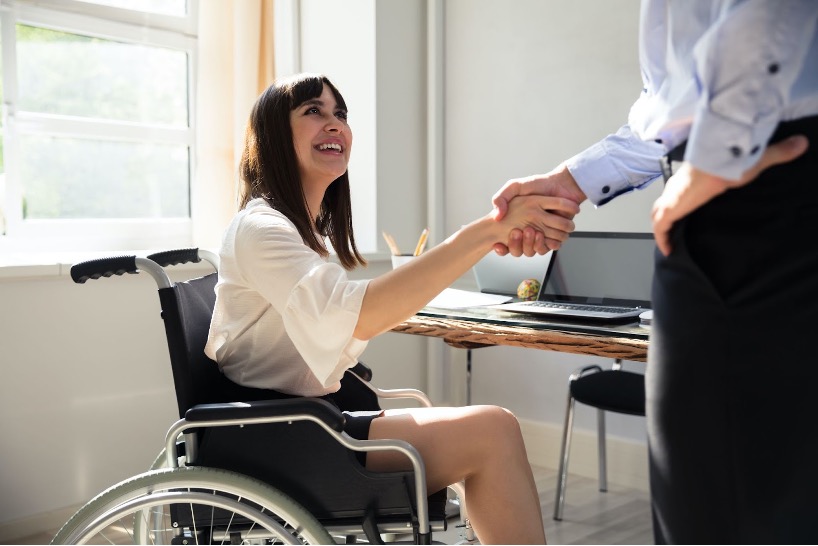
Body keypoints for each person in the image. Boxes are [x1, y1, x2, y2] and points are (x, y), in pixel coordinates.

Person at [205, 73, 581, 544]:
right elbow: (356, 314)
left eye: (339, 113)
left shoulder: (295, 232)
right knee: (494, 430)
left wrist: (491, 234)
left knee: (491, 428)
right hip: (281, 437)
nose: (334, 124)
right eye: (313, 112)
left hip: (307, 421)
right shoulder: (262, 229)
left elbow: (345, 316)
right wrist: (487, 232)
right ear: (275, 137)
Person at [492, 1, 818, 544]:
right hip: (741, 184)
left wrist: (712, 162)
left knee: (727, 507)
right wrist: (571, 181)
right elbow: (671, 109)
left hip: (753, 193)